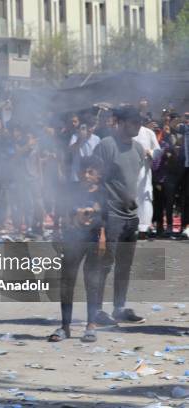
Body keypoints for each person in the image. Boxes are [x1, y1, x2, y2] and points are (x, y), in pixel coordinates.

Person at [92, 105, 146, 325]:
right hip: (110, 215)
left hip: (131, 215)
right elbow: (95, 181)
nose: (138, 126)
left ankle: (119, 308)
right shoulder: (106, 146)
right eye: (134, 122)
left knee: (125, 264)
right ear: (120, 122)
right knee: (104, 264)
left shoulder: (139, 149)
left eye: (139, 122)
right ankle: (95, 310)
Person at [48, 156, 104, 343]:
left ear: (99, 175)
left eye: (91, 172)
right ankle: (65, 327)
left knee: (92, 282)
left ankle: (91, 325)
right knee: (67, 282)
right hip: (72, 239)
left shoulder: (104, 192)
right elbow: (62, 211)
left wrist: (102, 234)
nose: (86, 175)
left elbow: (108, 216)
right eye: (83, 171)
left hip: (94, 240)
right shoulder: (71, 189)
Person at [133, 124, 161, 239]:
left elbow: (158, 151)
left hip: (144, 173)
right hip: (128, 172)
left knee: (145, 200)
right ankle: (132, 228)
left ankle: (143, 229)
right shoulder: (124, 131)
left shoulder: (148, 132)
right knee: (131, 199)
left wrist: (149, 152)